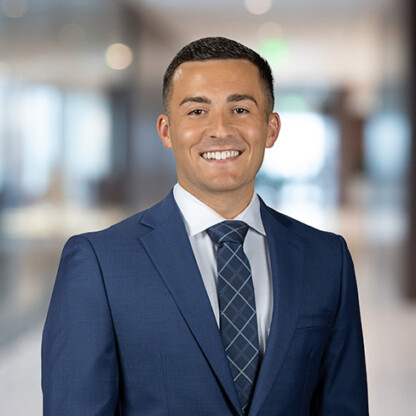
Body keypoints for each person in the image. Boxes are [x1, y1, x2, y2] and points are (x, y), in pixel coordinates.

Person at [42, 37, 368, 415]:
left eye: (241, 109)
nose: (220, 130)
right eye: (197, 112)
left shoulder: (327, 258)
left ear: (271, 127)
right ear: (166, 131)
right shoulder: (99, 263)